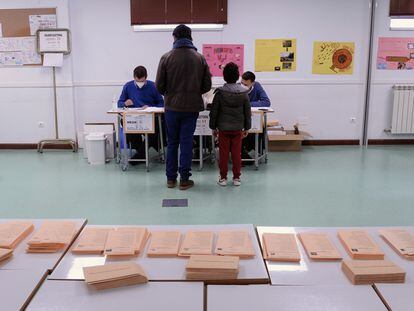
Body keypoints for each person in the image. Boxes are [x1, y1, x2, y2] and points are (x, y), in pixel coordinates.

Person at [156, 24, 212, 190]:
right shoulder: (200, 58)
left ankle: (171, 179)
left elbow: (159, 86)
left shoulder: (166, 57)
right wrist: (194, 91)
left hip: (172, 108)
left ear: (174, 37)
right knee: (186, 142)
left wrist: (170, 93)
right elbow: (207, 85)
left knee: (172, 142)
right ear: (190, 37)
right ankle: (185, 179)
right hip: (191, 108)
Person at [209, 62, 251, 187]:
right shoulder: (244, 93)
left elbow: (214, 112)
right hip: (238, 128)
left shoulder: (220, 93)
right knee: (237, 154)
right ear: (238, 76)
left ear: (224, 76)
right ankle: (237, 178)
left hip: (223, 128)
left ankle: (223, 178)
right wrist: (247, 127)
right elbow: (247, 112)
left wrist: (213, 127)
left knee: (223, 154)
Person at [118, 66, 165, 163]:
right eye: (137, 81)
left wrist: (150, 107)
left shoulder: (153, 86)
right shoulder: (128, 86)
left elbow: (161, 102)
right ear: (134, 77)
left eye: (142, 81)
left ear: (146, 77)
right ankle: (142, 152)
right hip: (133, 117)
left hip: (150, 117)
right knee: (127, 126)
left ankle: (139, 156)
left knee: (154, 131)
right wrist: (125, 103)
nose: (140, 83)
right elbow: (119, 103)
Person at [240, 71, 271, 164]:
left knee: (260, 130)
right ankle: (242, 153)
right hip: (240, 120)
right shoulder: (237, 87)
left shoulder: (257, 86)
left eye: (246, 84)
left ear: (252, 83)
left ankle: (252, 151)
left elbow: (266, 102)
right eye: (242, 83)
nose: (243, 86)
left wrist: (248, 104)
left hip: (253, 120)